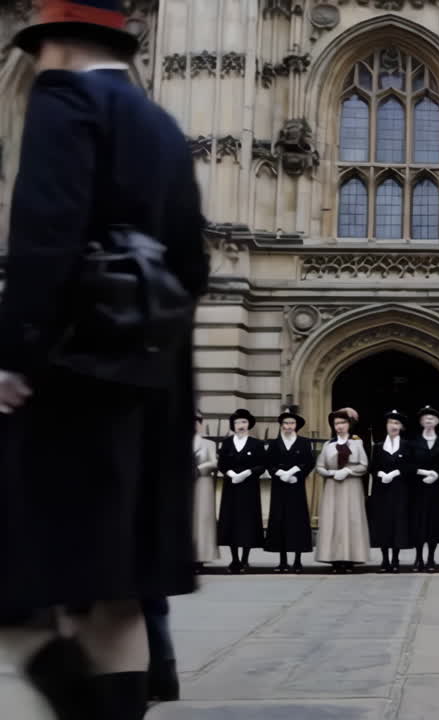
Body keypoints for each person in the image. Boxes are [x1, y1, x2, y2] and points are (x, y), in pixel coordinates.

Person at [0, 2, 208, 717]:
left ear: (52, 45)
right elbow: (194, 264)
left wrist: (14, 357)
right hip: (152, 381)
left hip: (73, 380)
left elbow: (43, 238)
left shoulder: (64, 103)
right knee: (115, 597)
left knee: (17, 589)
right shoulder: (163, 126)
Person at [314, 408, 370, 573]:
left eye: (343, 423)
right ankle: (335, 559)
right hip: (333, 487)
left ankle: (351, 558)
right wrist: (331, 473)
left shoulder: (356, 443)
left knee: (351, 520)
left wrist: (348, 471)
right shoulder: (328, 445)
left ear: (349, 424)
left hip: (351, 486)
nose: (339, 426)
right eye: (336, 423)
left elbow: (364, 465)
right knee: (334, 521)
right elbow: (320, 466)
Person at [264, 410, 315, 574]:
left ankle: (298, 560)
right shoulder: (274, 443)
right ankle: (282, 561)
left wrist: (296, 474)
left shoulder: (304, 442)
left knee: (297, 522)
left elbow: (309, 462)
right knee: (280, 521)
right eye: (285, 423)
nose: (288, 426)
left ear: (296, 426)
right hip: (279, 487)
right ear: (281, 425)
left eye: (291, 423)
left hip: (296, 487)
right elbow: (269, 463)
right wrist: (280, 474)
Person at [217, 409, 266, 574]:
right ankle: (234, 559)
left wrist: (247, 473)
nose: (241, 426)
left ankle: (245, 558)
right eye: (238, 423)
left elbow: (262, 465)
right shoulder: (227, 443)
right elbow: (222, 464)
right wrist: (231, 474)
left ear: (249, 424)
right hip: (231, 487)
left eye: (244, 422)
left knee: (247, 522)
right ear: (233, 425)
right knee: (232, 521)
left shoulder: (256, 444)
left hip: (249, 488)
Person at [369, 410, 414, 573]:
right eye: (390, 423)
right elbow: (372, 467)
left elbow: (411, 466)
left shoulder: (407, 445)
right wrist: (380, 473)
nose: (393, 426)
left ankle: (395, 559)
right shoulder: (379, 446)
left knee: (398, 524)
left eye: (396, 423)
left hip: (400, 491)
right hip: (382, 491)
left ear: (401, 427)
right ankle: (384, 559)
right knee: (383, 524)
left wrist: (397, 472)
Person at [409, 405, 439, 573]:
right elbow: (409, 463)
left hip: (436, 489)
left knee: (433, 524)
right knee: (419, 523)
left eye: (432, 417)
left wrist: (436, 474)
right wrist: (421, 472)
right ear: (420, 421)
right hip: (418, 488)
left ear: (438, 421)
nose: (428, 420)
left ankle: (431, 558)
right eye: (425, 417)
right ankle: (418, 558)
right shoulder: (413, 442)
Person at [193, 412, 220, 570]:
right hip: (185, 484)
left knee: (202, 520)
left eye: (197, 422)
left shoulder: (208, 444)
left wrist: (198, 468)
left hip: (203, 483)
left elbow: (214, 461)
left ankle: (201, 557)